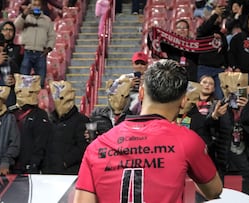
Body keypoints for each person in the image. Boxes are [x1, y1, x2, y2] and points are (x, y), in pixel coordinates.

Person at [73, 59, 223, 203]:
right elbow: (214, 190)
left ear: (141, 94)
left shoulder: (97, 146)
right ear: (184, 101)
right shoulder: (188, 141)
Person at [215, 72, 249, 175]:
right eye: (228, 85)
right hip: (226, 164)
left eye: (238, 85)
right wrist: (214, 116)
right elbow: (209, 129)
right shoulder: (219, 106)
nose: (233, 89)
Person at [42, 80, 90, 174]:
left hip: (70, 175)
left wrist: (65, 162)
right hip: (48, 174)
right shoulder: (49, 120)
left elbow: (82, 147)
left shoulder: (81, 120)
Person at [10, 74, 51, 174]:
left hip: (29, 167)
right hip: (10, 165)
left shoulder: (40, 115)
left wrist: (33, 164)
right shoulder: (11, 113)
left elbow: (41, 142)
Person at [14, 0, 56, 88]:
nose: (36, 7)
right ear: (30, 5)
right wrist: (24, 14)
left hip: (41, 53)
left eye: (38, 5)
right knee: (23, 79)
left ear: (41, 6)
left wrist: (48, 48)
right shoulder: (25, 18)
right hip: (27, 52)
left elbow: (52, 36)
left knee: (40, 81)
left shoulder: (47, 20)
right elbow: (16, 26)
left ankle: (40, 100)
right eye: (34, 5)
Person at [196, 5, 229, 99]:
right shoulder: (203, 31)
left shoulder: (222, 35)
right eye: (215, 15)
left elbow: (225, 52)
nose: (217, 17)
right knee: (199, 95)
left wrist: (225, 66)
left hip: (218, 69)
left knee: (219, 96)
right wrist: (214, 15)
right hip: (204, 67)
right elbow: (204, 29)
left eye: (219, 16)